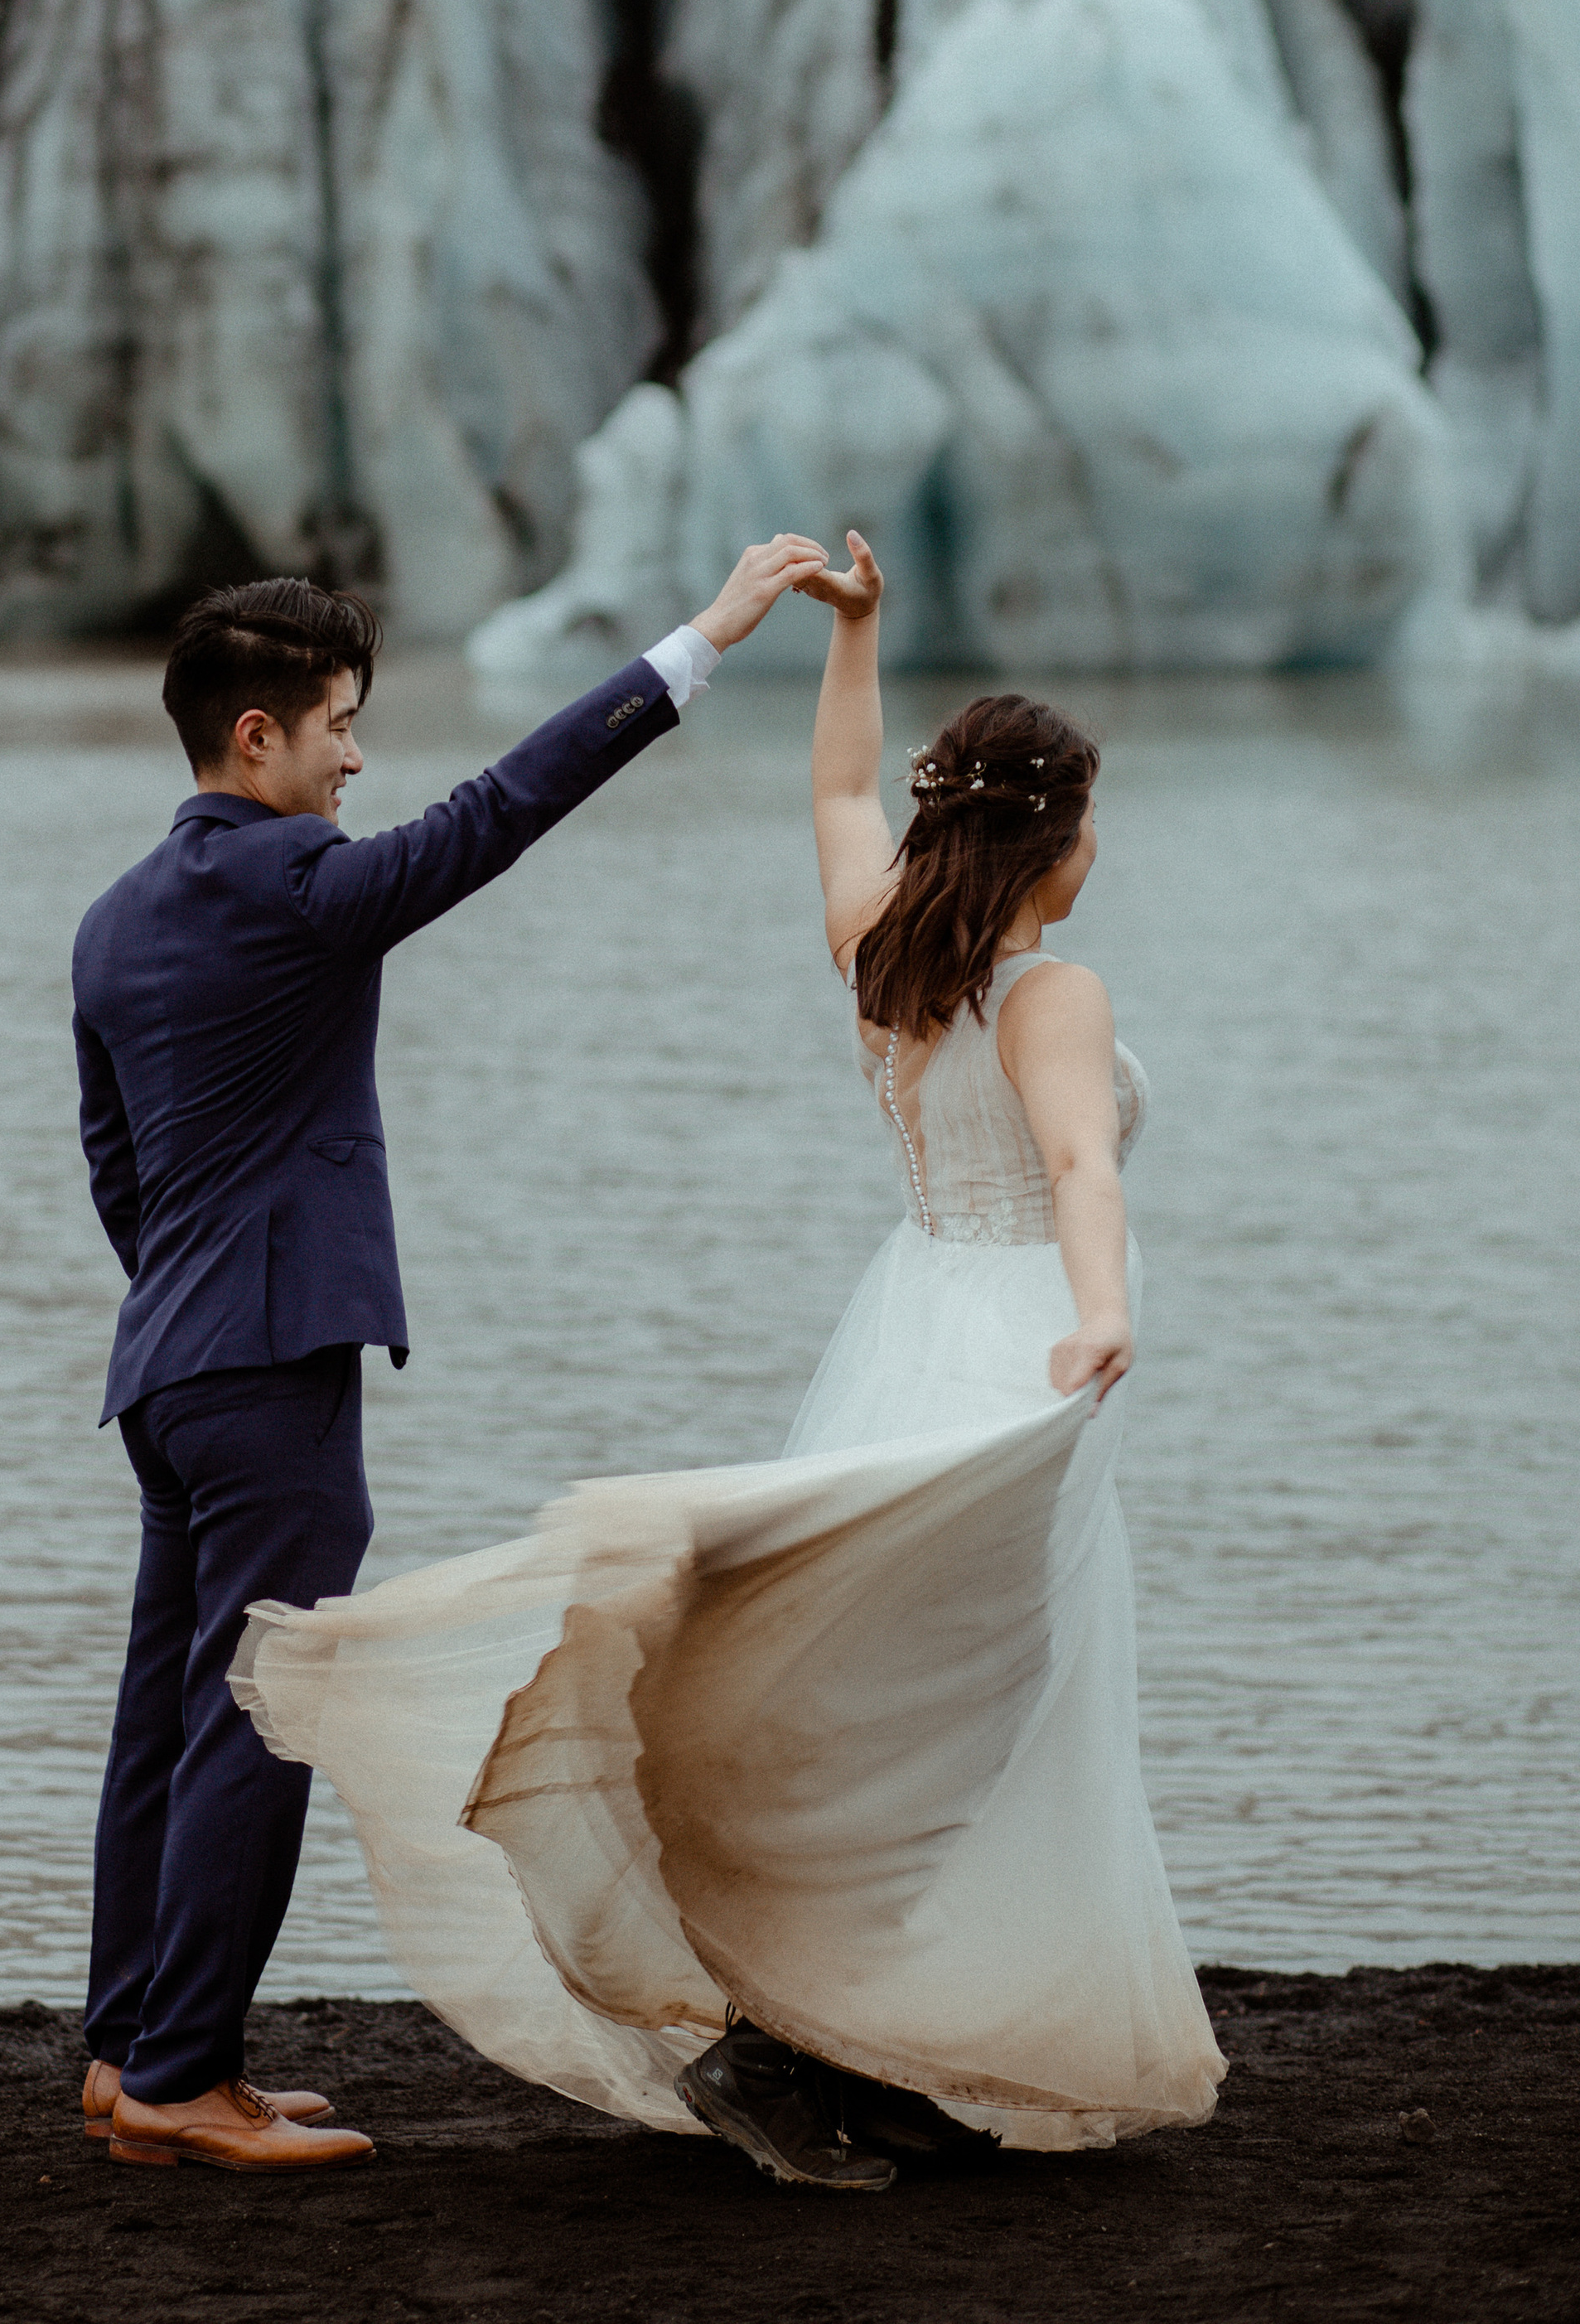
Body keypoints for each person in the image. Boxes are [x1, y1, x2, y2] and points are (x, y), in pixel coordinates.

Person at [234, 528, 1225, 2186]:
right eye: (1089, 818)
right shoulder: (1047, 990)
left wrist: (855, 638)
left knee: (873, 1692)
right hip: (1006, 1340)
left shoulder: (882, 950)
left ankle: (842, 2020)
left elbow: (840, 799)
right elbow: (1077, 1170)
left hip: (903, 1310)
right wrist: (1103, 1307)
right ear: (1055, 843)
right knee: (956, 1709)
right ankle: (812, 2015)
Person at [70, 538, 833, 2175]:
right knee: (256, 1716)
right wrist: (693, 646)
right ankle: (184, 2082)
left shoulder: (115, 918)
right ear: (255, 737)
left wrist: (195, 1302)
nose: (358, 755)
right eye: (338, 722)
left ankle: (129, 2052)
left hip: (167, 1367)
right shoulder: (292, 889)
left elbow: (114, 1170)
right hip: (266, 1372)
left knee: (166, 1712)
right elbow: (495, 814)